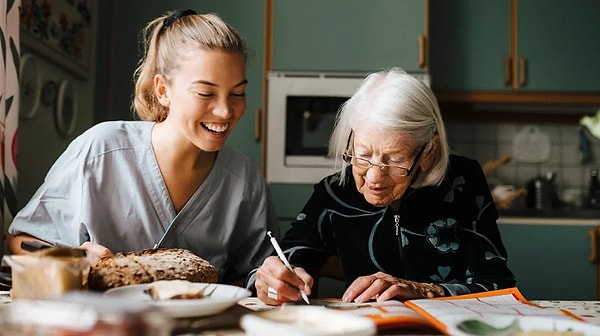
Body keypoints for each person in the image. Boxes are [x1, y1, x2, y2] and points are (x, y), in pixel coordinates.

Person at [7, 9, 279, 287]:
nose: (225, 111)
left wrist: (270, 281)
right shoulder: (101, 150)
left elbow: (255, 274)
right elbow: (21, 240)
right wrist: (71, 258)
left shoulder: (246, 181)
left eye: (237, 94)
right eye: (205, 93)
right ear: (163, 91)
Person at [255, 67, 516, 304]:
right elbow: (289, 256)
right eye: (363, 155)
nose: (374, 178)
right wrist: (275, 278)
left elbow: (499, 285)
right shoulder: (335, 192)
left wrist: (425, 290)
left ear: (428, 151)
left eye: (394, 159)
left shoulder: (463, 181)